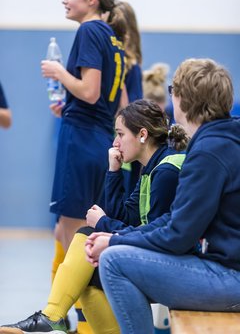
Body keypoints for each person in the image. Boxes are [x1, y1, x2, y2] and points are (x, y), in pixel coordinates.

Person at [0, 99, 188, 334]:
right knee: (89, 266)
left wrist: (103, 224)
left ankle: (50, 317)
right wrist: (114, 171)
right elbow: (126, 215)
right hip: (159, 256)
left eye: (120, 134)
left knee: (90, 244)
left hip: (176, 267)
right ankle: (51, 317)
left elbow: (156, 236)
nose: (115, 142)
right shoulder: (152, 166)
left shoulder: (167, 171)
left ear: (142, 134)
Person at [83, 58, 240, 334]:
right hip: (225, 267)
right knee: (115, 253)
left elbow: (177, 236)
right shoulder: (220, 140)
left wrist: (115, 240)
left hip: (229, 277)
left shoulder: (208, 153)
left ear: (183, 99)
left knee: (114, 261)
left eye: (172, 91)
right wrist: (115, 237)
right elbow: (174, 219)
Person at [42, 0, 127, 332]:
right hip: (96, 136)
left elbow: (91, 92)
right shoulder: (111, 36)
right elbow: (110, 100)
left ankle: (71, 319)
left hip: (81, 140)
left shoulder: (90, 32)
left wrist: (60, 73)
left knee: (76, 234)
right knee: (69, 226)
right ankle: (64, 315)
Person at [114, 1, 143, 200]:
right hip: (113, 139)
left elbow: (129, 112)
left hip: (123, 144)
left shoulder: (131, 68)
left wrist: (118, 81)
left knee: (121, 200)